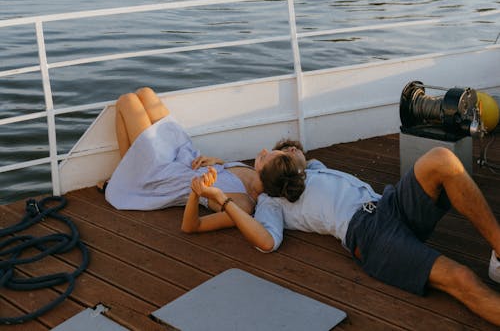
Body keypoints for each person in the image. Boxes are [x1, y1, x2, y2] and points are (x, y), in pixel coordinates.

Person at [188, 139, 500, 327]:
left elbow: (290, 161)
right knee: (461, 279)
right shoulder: (271, 203)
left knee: (441, 159)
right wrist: (224, 199)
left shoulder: (314, 168)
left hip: (387, 203)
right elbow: (267, 242)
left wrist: (223, 161)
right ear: (271, 177)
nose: (283, 148)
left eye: (285, 147)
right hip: (370, 235)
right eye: (273, 154)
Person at [101, 87, 262, 229]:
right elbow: (227, 176)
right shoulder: (253, 172)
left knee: (126, 101)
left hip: (168, 175)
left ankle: (127, 176)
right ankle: (128, 171)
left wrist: (204, 189)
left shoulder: (243, 204)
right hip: (187, 156)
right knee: (145, 93)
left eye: (268, 157)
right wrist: (217, 161)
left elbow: (197, 222)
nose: (264, 152)